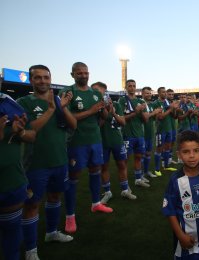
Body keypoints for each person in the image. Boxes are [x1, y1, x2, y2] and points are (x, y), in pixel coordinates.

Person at [18, 65, 76, 260]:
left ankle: (51, 232)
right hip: (35, 164)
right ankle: (31, 249)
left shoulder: (58, 101)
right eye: (38, 78)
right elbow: (30, 130)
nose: (42, 81)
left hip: (60, 159)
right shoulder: (23, 102)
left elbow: (73, 125)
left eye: (45, 77)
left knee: (54, 197)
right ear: (30, 80)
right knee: (32, 204)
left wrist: (61, 107)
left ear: (50, 79)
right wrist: (51, 109)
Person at [60, 62, 113, 234]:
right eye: (79, 73)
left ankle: (96, 203)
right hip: (76, 141)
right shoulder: (68, 92)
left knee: (95, 169)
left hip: (95, 139)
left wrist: (106, 109)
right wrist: (91, 111)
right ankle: (70, 216)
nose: (83, 75)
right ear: (72, 74)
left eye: (85, 72)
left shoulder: (95, 93)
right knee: (74, 176)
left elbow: (103, 116)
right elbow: (67, 118)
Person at [162, 130, 199, 260]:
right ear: (179, 155)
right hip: (186, 242)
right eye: (186, 152)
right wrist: (180, 236)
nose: (192, 156)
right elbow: (169, 211)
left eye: (196, 150)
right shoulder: (175, 180)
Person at [0, 93, 35, 260]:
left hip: (12, 181)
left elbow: (31, 136)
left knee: (12, 235)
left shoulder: (9, 105)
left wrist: (20, 132)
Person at [91, 82, 136, 203]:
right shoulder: (92, 106)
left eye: (98, 90)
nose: (96, 93)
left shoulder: (116, 104)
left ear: (105, 92)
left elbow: (122, 122)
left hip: (117, 140)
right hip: (102, 141)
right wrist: (102, 111)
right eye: (94, 90)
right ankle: (107, 192)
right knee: (104, 167)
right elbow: (97, 125)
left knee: (122, 165)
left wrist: (113, 112)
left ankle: (125, 190)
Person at [118, 79, 150, 187]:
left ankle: (137, 179)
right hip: (127, 135)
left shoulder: (141, 102)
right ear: (126, 88)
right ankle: (125, 185)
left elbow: (146, 119)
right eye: (130, 86)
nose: (132, 88)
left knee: (138, 157)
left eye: (133, 86)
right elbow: (121, 118)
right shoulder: (122, 101)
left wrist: (140, 111)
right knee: (124, 161)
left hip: (139, 135)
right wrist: (135, 112)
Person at [152, 87, 180, 176]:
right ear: (159, 93)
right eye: (163, 92)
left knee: (168, 147)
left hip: (169, 129)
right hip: (160, 130)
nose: (165, 93)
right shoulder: (156, 103)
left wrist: (175, 109)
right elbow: (160, 117)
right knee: (159, 148)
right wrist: (171, 109)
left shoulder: (167, 102)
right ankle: (157, 169)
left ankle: (166, 166)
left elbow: (174, 116)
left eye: (165, 92)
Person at [142, 86, 162, 178]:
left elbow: (154, 118)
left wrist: (157, 113)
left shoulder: (150, 105)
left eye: (150, 93)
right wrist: (154, 113)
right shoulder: (141, 104)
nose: (149, 94)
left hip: (150, 132)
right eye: (147, 93)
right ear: (142, 94)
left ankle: (146, 171)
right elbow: (145, 118)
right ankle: (140, 174)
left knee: (148, 153)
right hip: (142, 133)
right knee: (141, 154)